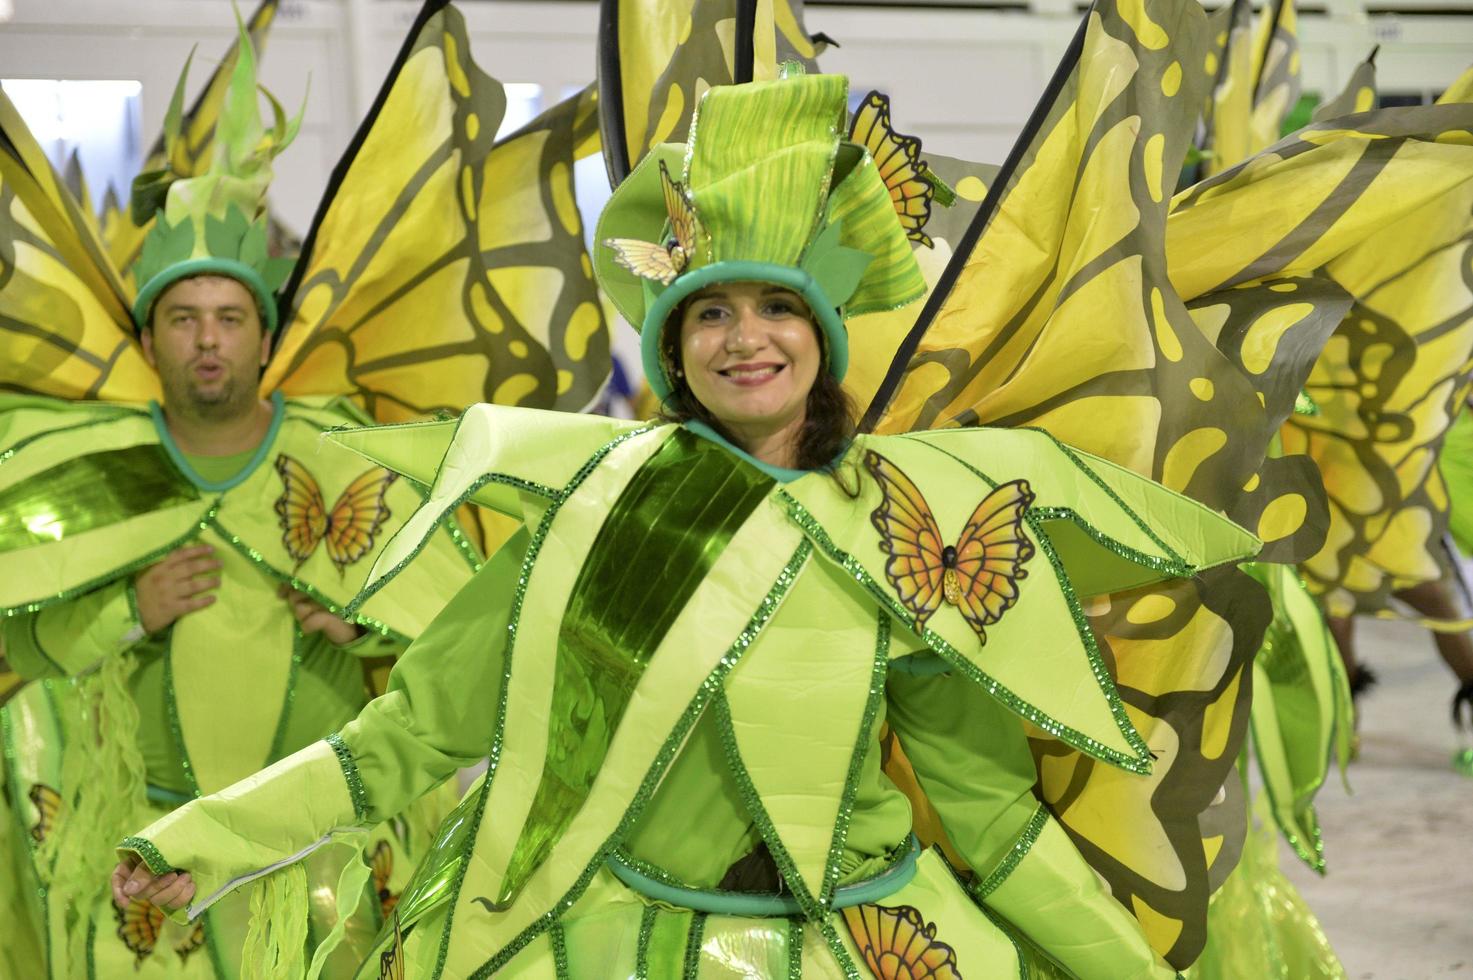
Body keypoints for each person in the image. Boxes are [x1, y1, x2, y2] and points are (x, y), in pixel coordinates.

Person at [108, 68, 1271, 979]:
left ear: (822, 340)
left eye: (777, 307)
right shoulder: (591, 505)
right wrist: (196, 842)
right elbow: (407, 739)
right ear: (672, 344)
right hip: (618, 942)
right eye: (708, 309)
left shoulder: (907, 528)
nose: (743, 337)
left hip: (863, 941)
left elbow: (996, 822)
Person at [0, 12, 492, 976]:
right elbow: (14, 641)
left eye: (230, 315)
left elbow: (462, 635)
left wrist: (369, 628)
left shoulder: (346, 451)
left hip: (323, 862)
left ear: (267, 337)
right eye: (183, 317)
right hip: (140, 872)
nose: (209, 338)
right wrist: (121, 614)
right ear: (149, 341)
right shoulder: (89, 461)